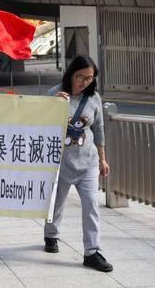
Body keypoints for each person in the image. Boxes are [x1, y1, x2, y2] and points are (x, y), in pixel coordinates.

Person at [44, 55, 113, 272]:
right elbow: (40, 123)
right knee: (57, 203)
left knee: (91, 205)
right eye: (80, 76)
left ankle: (92, 252)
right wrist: (53, 104)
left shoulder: (94, 98)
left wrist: (102, 158)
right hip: (61, 162)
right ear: (70, 74)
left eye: (89, 78)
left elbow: (98, 129)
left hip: (88, 162)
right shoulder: (54, 93)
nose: (84, 82)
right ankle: (51, 234)